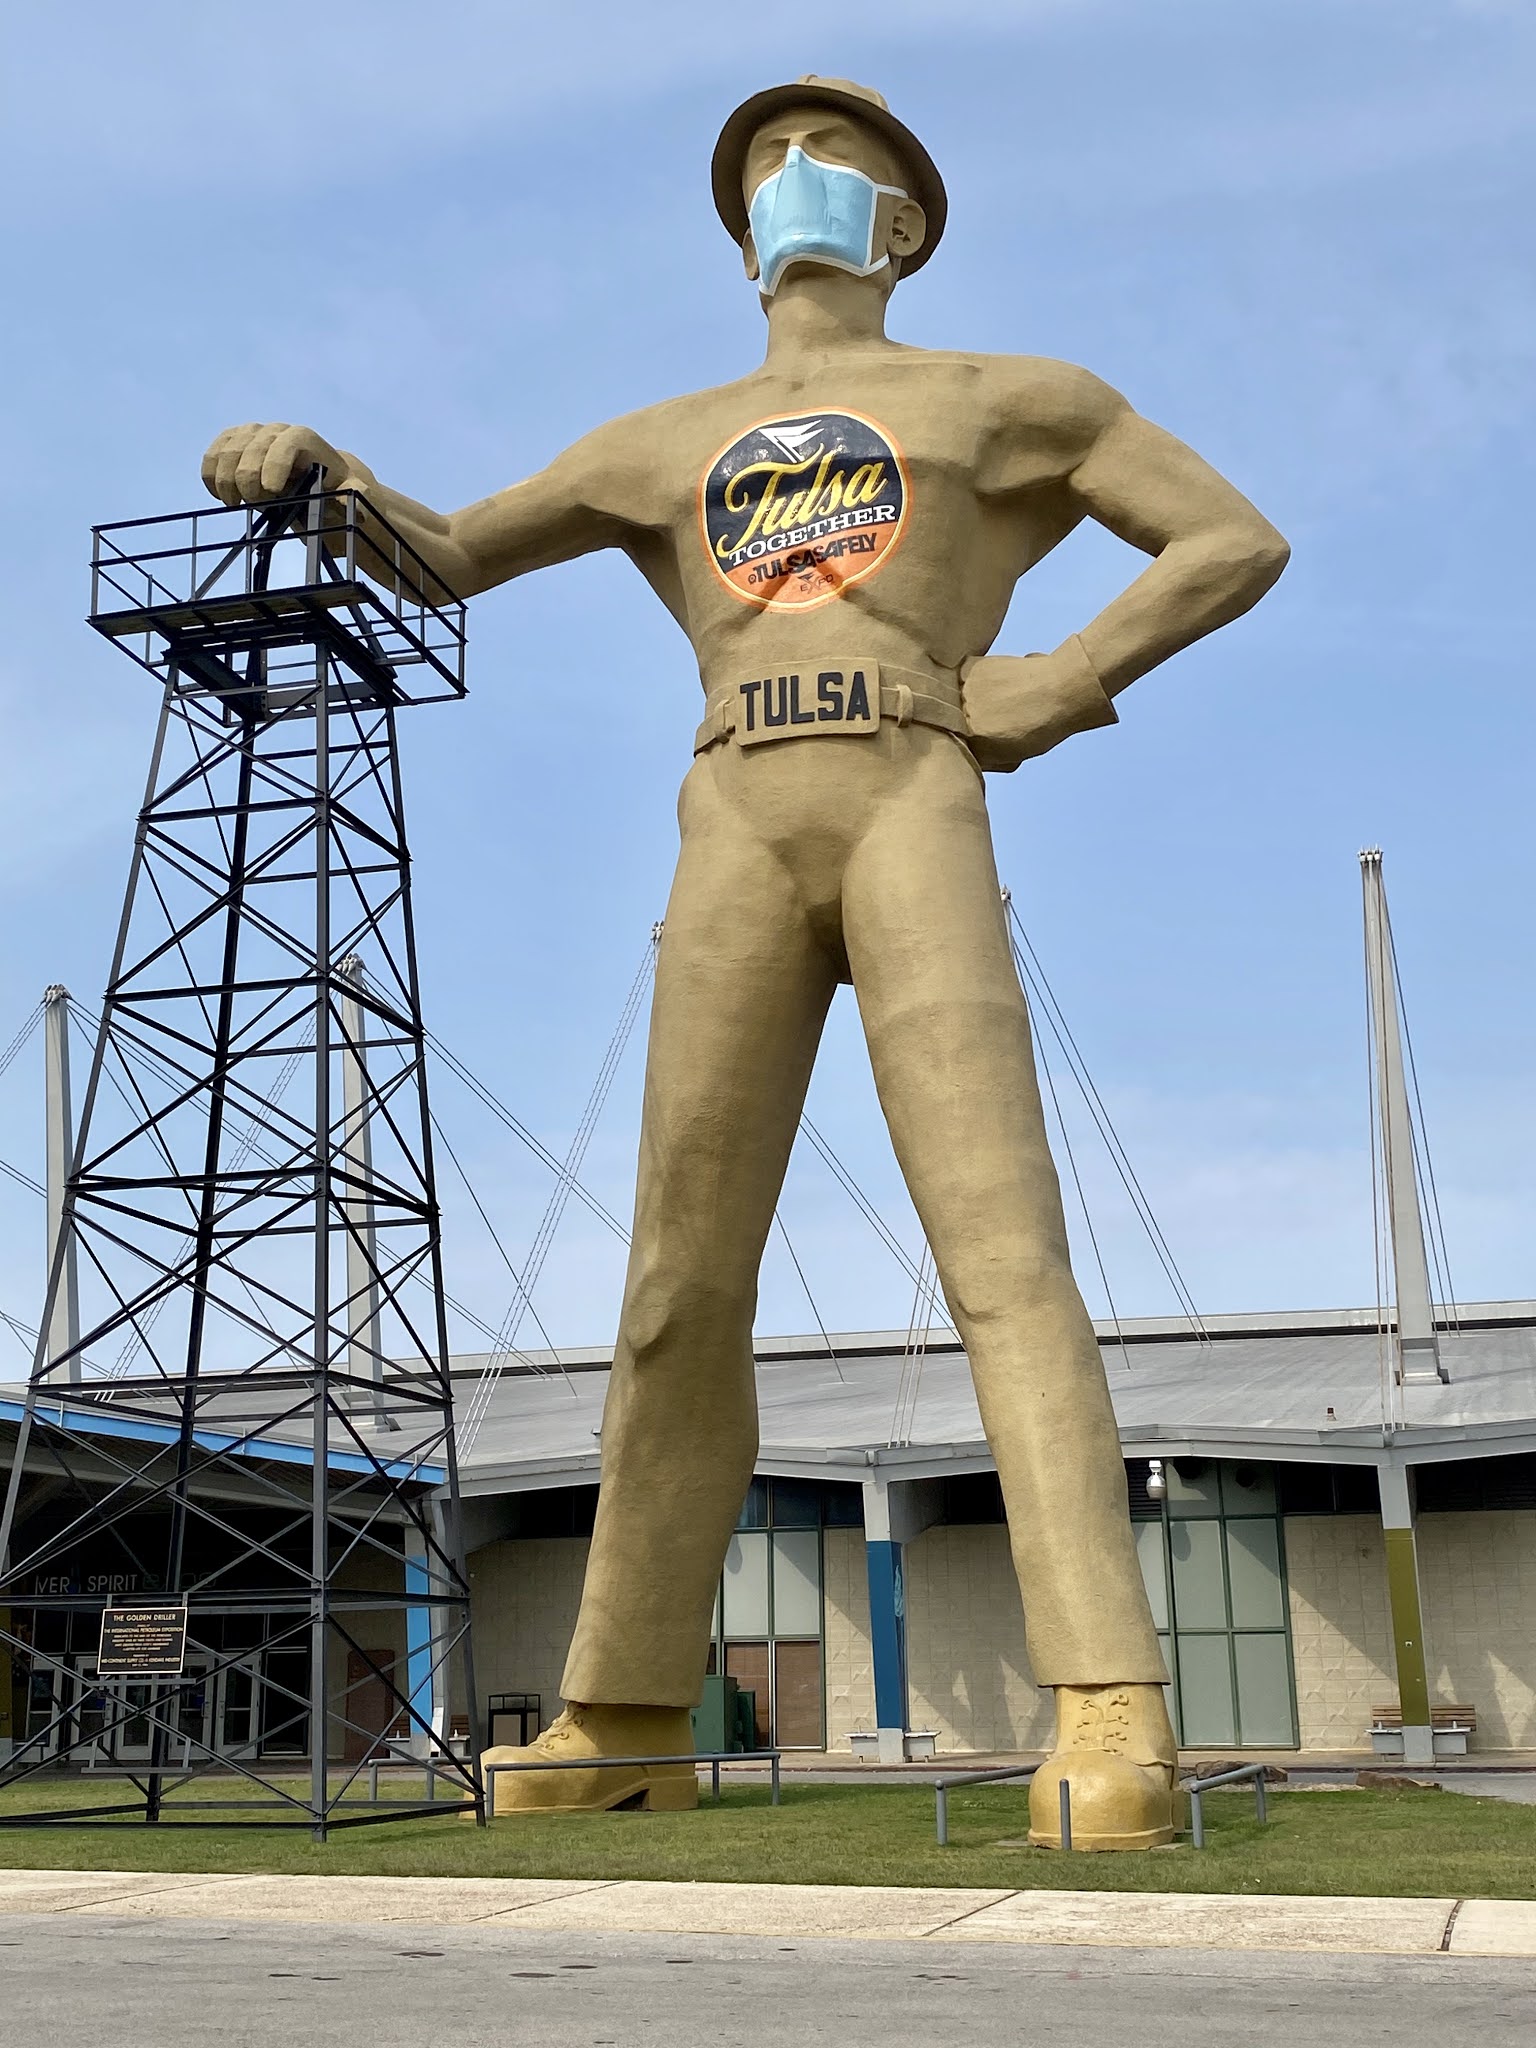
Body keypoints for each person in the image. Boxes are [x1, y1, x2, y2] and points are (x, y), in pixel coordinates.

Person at [203, 77, 1288, 1849]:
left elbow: (1230, 535)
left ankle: (1106, 1707)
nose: (796, 182)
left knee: (1003, 1256)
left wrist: (1058, 682)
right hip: (732, 812)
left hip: (912, 791)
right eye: (770, 166)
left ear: (904, 229)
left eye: (834, 162)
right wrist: (324, 478)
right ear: (738, 233)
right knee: (669, 1291)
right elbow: (456, 554)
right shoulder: (664, 440)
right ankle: (622, 1708)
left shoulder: (1006, 399)